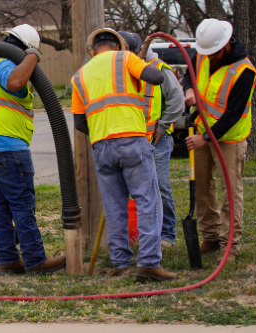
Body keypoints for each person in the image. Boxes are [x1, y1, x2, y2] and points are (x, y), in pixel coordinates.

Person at [72, 29, 177, 281]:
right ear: (118, 45)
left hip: (101, 146)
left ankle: (121, 263)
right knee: (148, 201)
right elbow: (155, 77)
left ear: (93, 50)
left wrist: (102, 133)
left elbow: (79, 122)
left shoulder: (80, 76)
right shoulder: (125, 58)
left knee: (114, 206)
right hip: (132, 141)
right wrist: (136, 61)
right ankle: (149, 263)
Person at [0, 24, 66, 275]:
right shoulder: (4, 65)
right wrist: (33, 55)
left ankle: (8, 259)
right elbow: (15, 81)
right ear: (26, 46)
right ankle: (35, 260)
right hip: (5, 146)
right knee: (22, 204)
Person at [183, 19, 256, 263]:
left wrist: (205, 138)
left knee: (230, 193)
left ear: (226, 43)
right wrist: (189, 91)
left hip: (229, 139)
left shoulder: (244, 71)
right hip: (204, 130)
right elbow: (188, 75)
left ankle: (230, 245)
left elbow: (232, 114)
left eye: (214, 52)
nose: (210, 57)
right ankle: (211, 235)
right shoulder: (203, 54)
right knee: (203, 188)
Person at [118, 31, 185, 249]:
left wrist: (162, 127)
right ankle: (138, 233)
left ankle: (167, 234)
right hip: (130, 140)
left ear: (138, 51)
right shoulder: (121, 70)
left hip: (157, 141)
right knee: (132, 190)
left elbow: (177, 101)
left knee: (160, 187)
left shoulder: (159, 70)